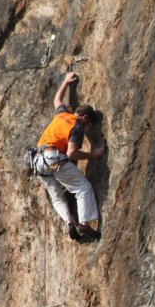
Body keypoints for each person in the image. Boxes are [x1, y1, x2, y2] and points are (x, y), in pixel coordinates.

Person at [35, 72, 105, 240]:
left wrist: (66, 82)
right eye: (88, 123)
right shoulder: (77, 126)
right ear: (85, 118)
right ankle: (83, 225)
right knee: (83, 188)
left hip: (37, 160)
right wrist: (92, 155)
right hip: (53, 158)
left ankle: (69, 222)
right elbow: (71, 152)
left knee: (57, 197)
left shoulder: (62, 114)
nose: (87, 127)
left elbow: (57, 100)